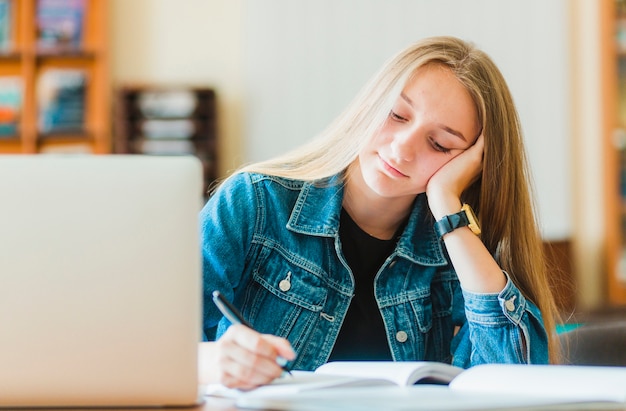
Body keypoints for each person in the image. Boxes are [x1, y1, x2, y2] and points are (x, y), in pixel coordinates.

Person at [199, 36, 561, 389]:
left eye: (440, 144)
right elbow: (152, 344)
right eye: (396, 114)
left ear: (471, 165)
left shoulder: (460, 250)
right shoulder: (256, 201)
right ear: (372, 103)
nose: (402, 149)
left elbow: (514, 384)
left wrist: (449, 209)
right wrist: (216, 362)